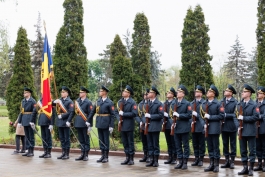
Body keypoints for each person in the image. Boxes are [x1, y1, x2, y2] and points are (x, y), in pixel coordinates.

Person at [88, 85, 116, 163]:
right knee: (101, 140)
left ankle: (106, 156)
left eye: (101, 91)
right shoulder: (98, 101)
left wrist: (111, 125)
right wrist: (88, 120)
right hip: (99, 122)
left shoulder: (109, 102)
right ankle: (102, 155)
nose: (99, 92)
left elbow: (113, 115)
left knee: (106, 140)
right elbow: (92, 112)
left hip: (106, 123)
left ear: (104, 92)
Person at [201, 84, 224, 173]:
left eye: (210, 91)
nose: (208, 92)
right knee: (209, 146)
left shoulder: (218, 104)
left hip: (214, 128)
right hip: (207, 128)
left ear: (213, 94)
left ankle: (216, 165)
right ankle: (211, 164)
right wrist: (204, 123)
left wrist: (210, 117)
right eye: (208, 91)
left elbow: (221, 116)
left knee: (215, 147)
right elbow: (202, 115)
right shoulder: (204, 103)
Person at [237, 84, 259, 176]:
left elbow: (256, 117)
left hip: (250, 130)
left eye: (245, 92)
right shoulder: (239, 104)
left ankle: (251, 168)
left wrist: (244, 118)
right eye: (243, 91)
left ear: (249, 94)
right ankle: (245, 167)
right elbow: (236, 116)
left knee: (252, 151)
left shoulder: (254, 104)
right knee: (243, 150)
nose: (243, 93)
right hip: (241, 130)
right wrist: (238, 125)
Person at [171, 84, 192, 170]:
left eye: (180, 92)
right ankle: (180, 161)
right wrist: (173, 121)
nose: (177, 93)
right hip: (176, 126)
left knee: (185, 145)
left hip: (184, 127)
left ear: (183, 94)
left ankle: (185, 162)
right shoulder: (174, 103)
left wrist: (179, 115)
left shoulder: (187, 103)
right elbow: (170, 114)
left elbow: (189, 115)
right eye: (177, 92)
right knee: (178, 145)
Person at [117, 85, 137, 165]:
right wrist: (119, 119)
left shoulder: (132, 102)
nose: (123, 92)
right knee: (125, 142)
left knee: (130, 142)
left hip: (129, 124)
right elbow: (116, 112)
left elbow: (134, 113)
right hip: (122, 124)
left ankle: (131, 158)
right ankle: (127, 157)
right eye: (123, 91)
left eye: (125, 92)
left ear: (129, 94)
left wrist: (124, 114)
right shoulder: (120, 101)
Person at [54, 86, 74, 160]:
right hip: (60, 122)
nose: (62, 93)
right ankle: (63, 152)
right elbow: (52, 104)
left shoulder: (69, 101)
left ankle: (67, 153)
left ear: (67, 93)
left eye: (63, 92)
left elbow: (71, 112)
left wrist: (68, 120)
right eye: (61, 92)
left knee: (66, 138)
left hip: (65, 122)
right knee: (62, 138)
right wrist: (53, 101)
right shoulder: (59, 100)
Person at [220, 85, 238, 169]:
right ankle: (226, 160)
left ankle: (232, 161)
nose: (225, 92)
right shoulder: (222, 101)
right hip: (223, 126)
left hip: (232, 126)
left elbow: (235, 114)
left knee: (233, 144)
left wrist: (226, 115)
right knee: (225, 143)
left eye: (227, 91)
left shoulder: (235, 102)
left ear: (231, 93)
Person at [145, 86, 164, 167]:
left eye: (150, 92)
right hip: (148, 126)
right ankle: (151, 159)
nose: (148, 94)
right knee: (149, 144)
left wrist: (150, 116)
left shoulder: (159, 103)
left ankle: (156, 161)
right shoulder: (147, 103)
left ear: (154, 94)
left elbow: (161, 115)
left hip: (155, 125)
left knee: (155, 144)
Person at [74, 86, 93, 161]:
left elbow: (90, 114)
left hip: (85, 123)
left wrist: (90, 124)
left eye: (81, 92)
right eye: (80, 92)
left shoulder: (88, 102)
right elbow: (74, 112)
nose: (80, 93)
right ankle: (82, 153)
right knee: (81, 139)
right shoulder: (77, 101)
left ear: (85, 93)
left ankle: (86, 154)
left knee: (86, 139)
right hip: (78, 122)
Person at [17, 87, 36, 157]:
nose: (24, 94)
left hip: (30, 119)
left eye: (26, 93)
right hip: (24, 119)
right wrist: (19, 122)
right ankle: (28, 150)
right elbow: (21, 112)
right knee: (27, 136)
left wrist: (32, 121)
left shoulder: (33, 101)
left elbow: (34, 112)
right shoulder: (23, 101)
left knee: (31, 136)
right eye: (24, 93)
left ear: (29, 93)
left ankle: (32, 151)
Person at [190, 85, 206, 166]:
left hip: (201, 125)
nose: (196, 93)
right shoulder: (192, 103)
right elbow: (189, 114)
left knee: (201, 143)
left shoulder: (204, 103)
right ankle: (196, 158)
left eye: (198, 92)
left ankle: (201, 159)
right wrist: (191, 122)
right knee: (195, 143)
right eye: (196, 92)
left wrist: (197, 115)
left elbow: (204, 115)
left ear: (201, 94)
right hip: (194, 126)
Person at [163, 87, 177, 165]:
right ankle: (170, 157)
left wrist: (167, 115)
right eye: (167, 93)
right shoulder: (165, 103)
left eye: (169, 93)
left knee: (173, 142)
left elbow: (173, 114)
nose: (167, 94)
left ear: (172, 95)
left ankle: (174, 157)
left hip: (172, 124)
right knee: (168, 142)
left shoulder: (174, 103)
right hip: (166, 125)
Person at [135, 89, 150, 163]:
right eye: (144, 95)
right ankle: (145, 155)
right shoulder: (140, 104)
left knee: (149, 141)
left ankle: (150, 156)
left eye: (147, 94)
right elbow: (137, 115)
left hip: (149, 125)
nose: (145, 96)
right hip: (142, 125)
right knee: (144, 141)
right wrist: (140, 122)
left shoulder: (150, 103)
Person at [254, 86, 265, 172]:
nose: (258, 94)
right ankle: (259, 164)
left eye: (260, 93)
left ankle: (264, 164)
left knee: (264, 147)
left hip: (263, 128)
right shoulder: (255, 103)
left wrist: (258, 117)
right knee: (258, 147)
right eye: (258, 93)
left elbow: (263, 116)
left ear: (264, 95)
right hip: (256, 129)